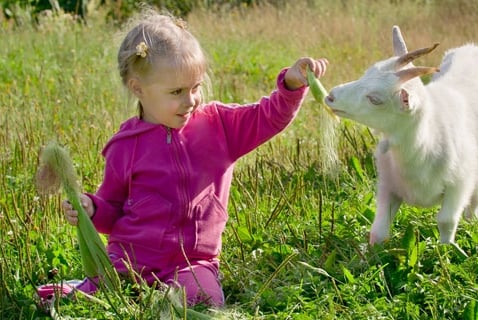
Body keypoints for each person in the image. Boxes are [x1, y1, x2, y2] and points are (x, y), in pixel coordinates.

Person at [62, 9, 328, 307]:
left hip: (192, 264)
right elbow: (112, 210)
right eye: (176, 91)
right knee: (87, 301)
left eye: (195, 87)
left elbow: (266, 118)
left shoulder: (219, 127)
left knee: (203, 301)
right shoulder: (124, 147)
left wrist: (290, 86)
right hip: (131, 263)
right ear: (138, 88)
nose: (190, 101)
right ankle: (74, 290)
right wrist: (91, 209)